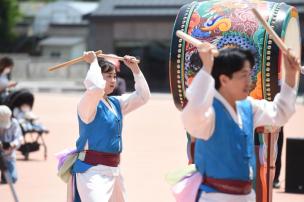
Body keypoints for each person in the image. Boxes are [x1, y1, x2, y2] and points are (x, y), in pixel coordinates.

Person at [181, 46, 299, 201]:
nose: (249, 82)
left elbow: (280, 113)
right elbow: (192, 114)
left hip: (246, 196)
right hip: (213, 197)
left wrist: (290, 76)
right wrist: (207, 67)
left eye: (249, 74)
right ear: (224, 79)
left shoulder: (248, 107)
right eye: (244, 75)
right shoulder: (209, 111)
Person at [71, 51, 150, 202]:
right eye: (108, 76)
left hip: (114, 171)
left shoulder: (116, 103)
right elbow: (95, 88)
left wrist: (135, 70)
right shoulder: (87, 104)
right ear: (98, 77)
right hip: (91, 171)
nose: (113, 80)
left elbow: (143, 97)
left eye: (114, 76)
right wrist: (93, 62)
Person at [0, 105, 23, 184]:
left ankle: (4, 174)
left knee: (12, 179)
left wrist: (12, 144)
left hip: (8, 156)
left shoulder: (14, 123)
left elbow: (19, 139)